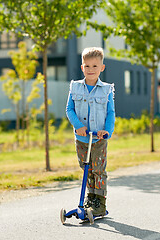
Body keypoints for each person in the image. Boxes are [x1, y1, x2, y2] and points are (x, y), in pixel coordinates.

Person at [66, 47, 115, 216]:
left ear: (102, 68)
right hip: (82, 138)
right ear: (82, 67)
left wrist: (107, 131)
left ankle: (99, 203)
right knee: (85, 167)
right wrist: (78, 126)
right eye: (87, 66)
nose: (91, 70)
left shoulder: (107, 90)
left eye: (95, 66)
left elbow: (110, 113)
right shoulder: (75, 87)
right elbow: (69, 109)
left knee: (98, 169)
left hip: (99, 138)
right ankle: (90, 198)